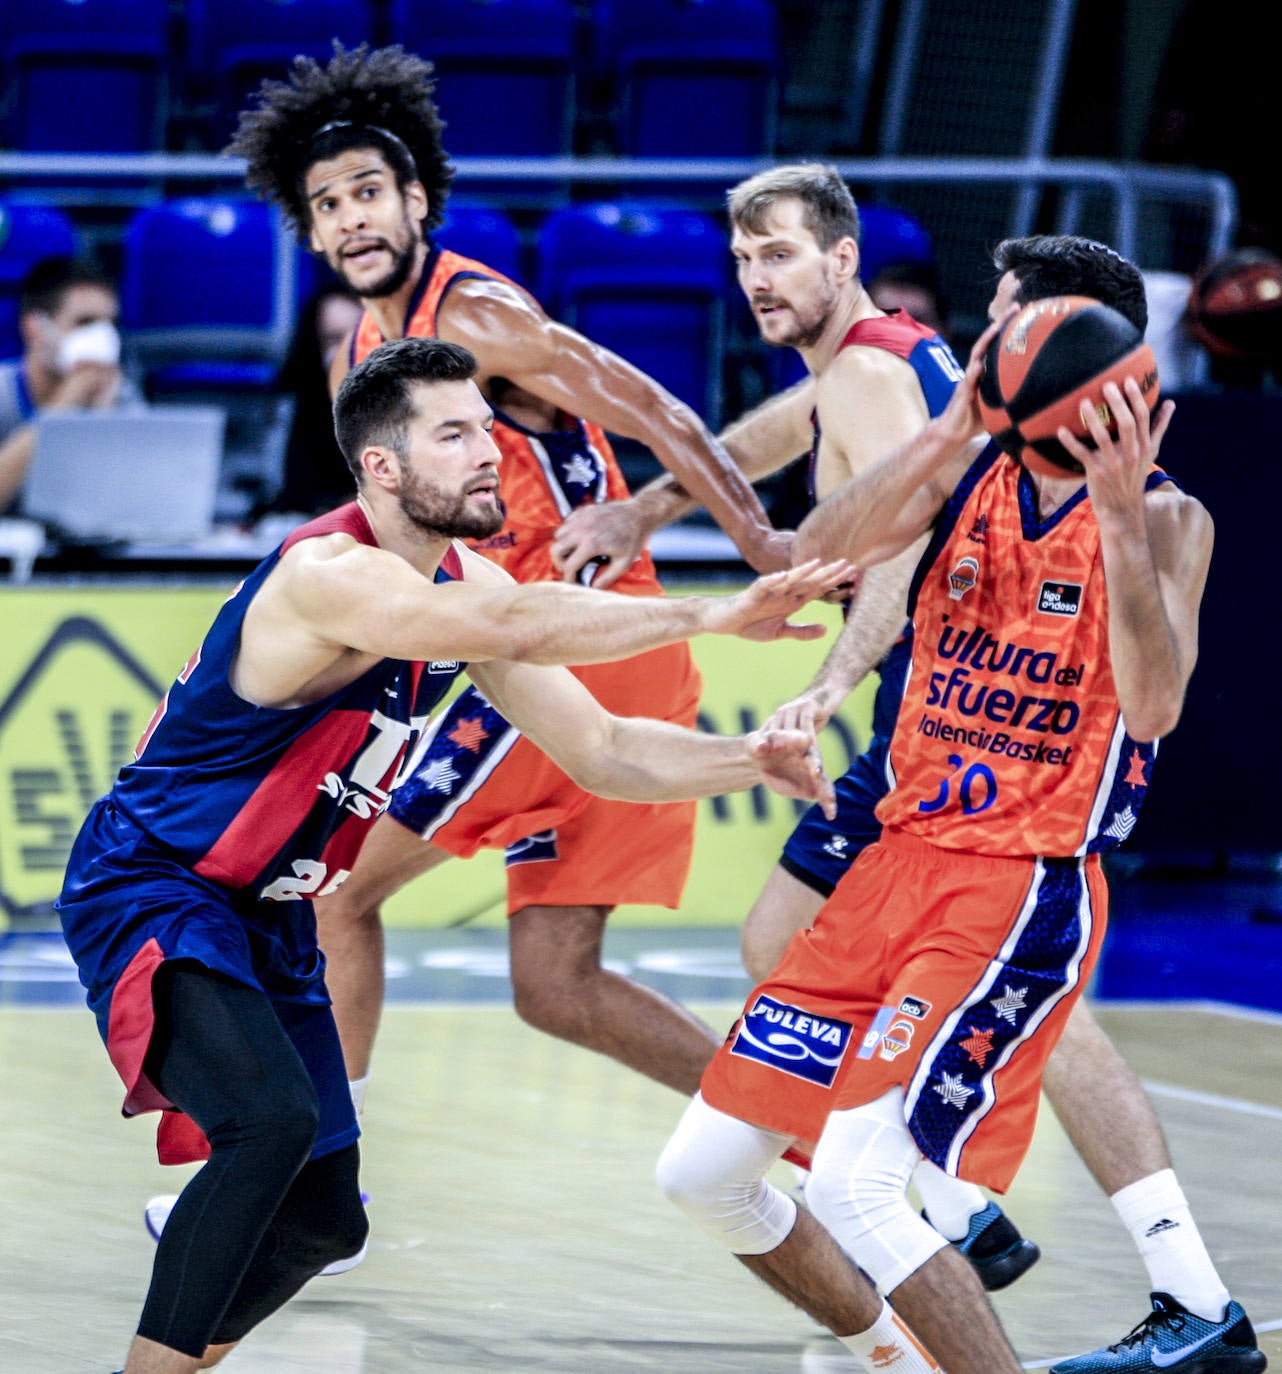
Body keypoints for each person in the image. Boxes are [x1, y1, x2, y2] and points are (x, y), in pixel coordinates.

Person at [59, 334, 851, 1374]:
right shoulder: (329, 574)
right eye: (455, 433)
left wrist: (750, 758)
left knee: (322, 1223)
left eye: (486, 426)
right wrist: (713, 612)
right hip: (155, 885)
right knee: (267, 1126)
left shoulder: (460, 583)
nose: (489, 450)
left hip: (270, 915)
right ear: (382, 467)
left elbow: (605, 751)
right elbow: (518, 622)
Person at [656, 246, 1263, 1374]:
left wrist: (1121, 527)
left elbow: (1157, 704)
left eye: (1009, 332)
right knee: (698, 1173)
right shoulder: (956, 472)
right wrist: (942, 437)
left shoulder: (1172, 521)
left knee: (855, 1181)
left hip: (1017, 881)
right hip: (895, 860)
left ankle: (1004, 1291)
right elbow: (809, 555)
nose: (983, 347)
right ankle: (894, 1341)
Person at [219, 41, 793, 1123]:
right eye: (327, 203)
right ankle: (808, 1130)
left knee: (336, 892)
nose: (351, 218)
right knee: (556, 987)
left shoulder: (475, 314)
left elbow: (658, 412)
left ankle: (312, 1190)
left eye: (369, 193)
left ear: (417, 198)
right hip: (532, 655)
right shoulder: (363, 365)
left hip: (572, 653)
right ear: (312, 230)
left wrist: (756, 546)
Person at [0, 255, 142, 514]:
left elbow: (134, 506)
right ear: (36, 328)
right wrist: (62, 408)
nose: (103, 336)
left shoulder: (119, 392)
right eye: (85, 323)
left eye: (110, 324)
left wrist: (103, 419)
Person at [267, 281, 364, 517]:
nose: (344, 352)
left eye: (357, 339)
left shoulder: (407, 411)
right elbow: (290, 490)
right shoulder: (300, 408)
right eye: (333, 339)